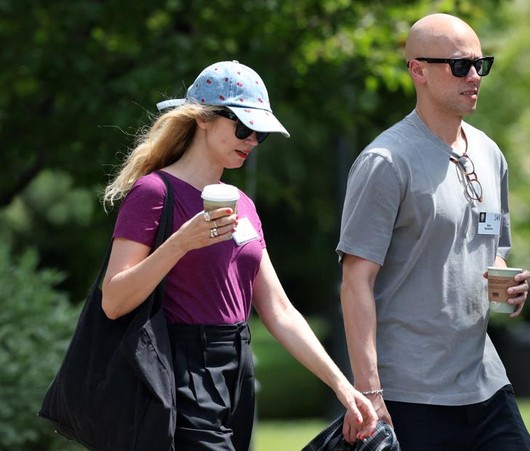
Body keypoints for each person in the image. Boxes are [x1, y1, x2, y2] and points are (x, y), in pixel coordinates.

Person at [100, 60, 378, 449]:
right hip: (180, 367)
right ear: (204, 119)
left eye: (259, 135)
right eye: (244, 128)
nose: (251, 141)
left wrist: (342, 385)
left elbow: (279, 310)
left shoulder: (243, 205)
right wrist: (181, 242)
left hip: (237, 369)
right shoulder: (154, 192)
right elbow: (113, 301)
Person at [336, 13, 530, 450]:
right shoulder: (386, 162)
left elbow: (494, 251)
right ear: (418, 70)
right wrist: (369, 391)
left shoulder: (489, 153)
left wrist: (507, 284)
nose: (474, 76)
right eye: (460, 66)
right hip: (411, 393)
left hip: (483, 381)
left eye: (480, 65)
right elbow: (356, 281)